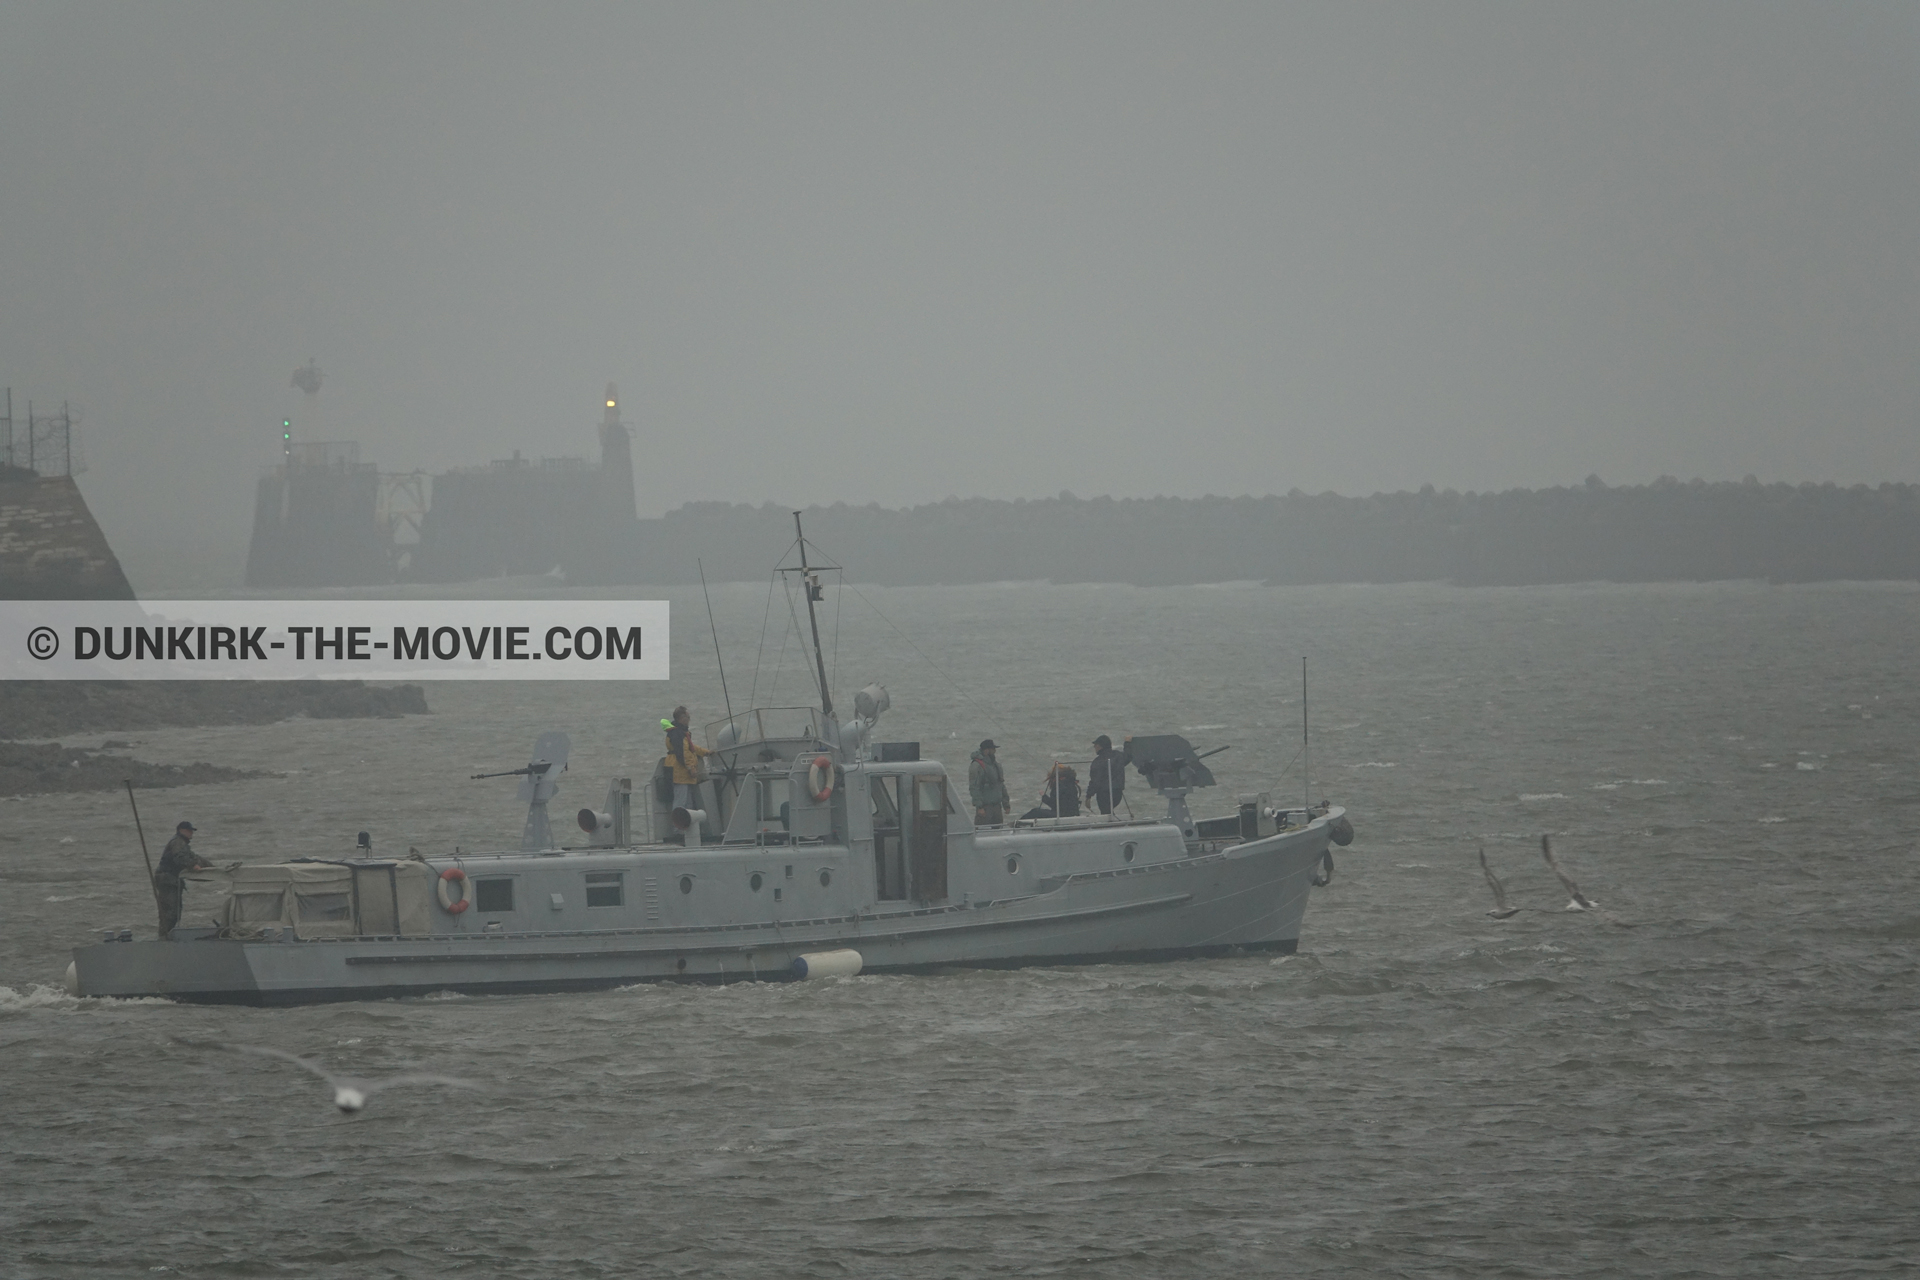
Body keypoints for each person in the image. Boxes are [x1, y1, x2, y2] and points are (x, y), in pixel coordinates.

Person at [154, 820, 213, 939]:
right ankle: (164, 938)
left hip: (171, 880)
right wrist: (192, 865)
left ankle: (166, 936)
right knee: (170, 912)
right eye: (189, 831)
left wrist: (211, 867)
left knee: (173, 911)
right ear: (182, 831)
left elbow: (194, 857)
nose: (191, 833)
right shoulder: (178, 842)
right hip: (168, 880)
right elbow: (180, 857)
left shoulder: (182, 844)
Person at [663, 705, 713, 812]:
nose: (689, 720)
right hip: (680, 772)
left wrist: (705, 752)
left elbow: (691, 747)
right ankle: (678, 827)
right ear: (682, 719)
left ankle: (688, 827)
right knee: (680, 802)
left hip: (681, 772)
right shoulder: (678, 734)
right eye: (688, 717)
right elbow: (683, 752)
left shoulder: (679, 732)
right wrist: (691, 768)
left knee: (688, 803)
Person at [1086, 734, 1132, 815]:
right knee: (1108, 812)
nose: (1094, 748)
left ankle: (1110, 825)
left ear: (1100, 746)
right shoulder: (1118, 755)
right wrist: (1127, 743)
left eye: (1095, 745)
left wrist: (1089, 796)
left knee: (1105, 813)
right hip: (1117, 792)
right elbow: (1128, 756)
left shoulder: (1097, 762)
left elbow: (1094, 781)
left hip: (1103, 794)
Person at [969, 739, 1011, 826]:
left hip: (997, 807)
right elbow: (974, 787)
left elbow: (1001, 785)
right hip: (985, 807)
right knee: (982, 833)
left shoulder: (995, 765)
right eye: (993, 749)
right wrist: (979, 807)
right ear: (986, 750)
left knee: (998, 832)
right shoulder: (977, 766)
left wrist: (1006, 804)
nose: (995, 751)